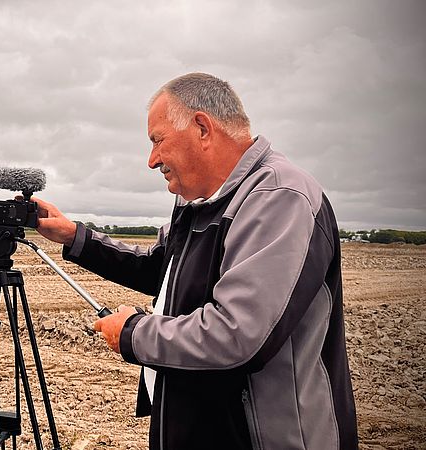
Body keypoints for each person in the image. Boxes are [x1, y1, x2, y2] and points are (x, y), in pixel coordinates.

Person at [34, 73, 358, 450]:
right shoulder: (197, 201)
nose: (151, 160)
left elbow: (237, 334)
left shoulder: (279, 197)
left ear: (202, 128)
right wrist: (75, 236)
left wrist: (133, 333)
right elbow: (163, 269)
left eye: (157, 141)